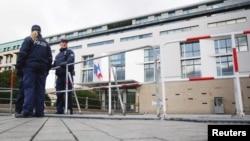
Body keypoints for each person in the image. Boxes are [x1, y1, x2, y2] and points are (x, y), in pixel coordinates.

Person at [15, 25, 52, 118]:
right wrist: (46, 70)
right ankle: (39, 112)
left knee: (29, 88)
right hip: (42, 68)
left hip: (30, 68)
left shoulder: (28, 39)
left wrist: (19, 67)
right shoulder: (46, 43)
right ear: (40, 31)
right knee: (40, 90)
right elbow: (50, 58)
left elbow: (22, 54)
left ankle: (27, 111)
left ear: (32, 31)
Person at [52, 39, 75, 114]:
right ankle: (59, 110)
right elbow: (54, 65)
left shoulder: (69, 52)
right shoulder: (57, 55)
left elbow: (71, 60)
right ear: (60, 44)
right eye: (63, 42)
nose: (64, 44)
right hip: (59, 77)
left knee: (68, 92)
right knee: (59, 93)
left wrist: (65, 63)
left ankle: (69, 109)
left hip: (67, 75)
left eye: (66, 42)